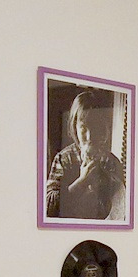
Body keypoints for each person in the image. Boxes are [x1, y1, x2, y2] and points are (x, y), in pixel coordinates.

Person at [46, 89, 127, 221]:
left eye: (95, 127)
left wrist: (105, 183)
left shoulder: (112, 162)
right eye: (84, 128)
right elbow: (48, 208)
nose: (89, 136)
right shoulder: (63, 159)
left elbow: (121, 209)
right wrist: (82, 181)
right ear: (75, 127)